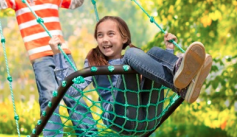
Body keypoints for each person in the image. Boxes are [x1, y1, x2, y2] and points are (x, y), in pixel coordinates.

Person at [0, 0, 96, 136]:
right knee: (49, 96)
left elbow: (76, 1)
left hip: (62, 53)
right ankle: (53, 135)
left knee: (74, 93)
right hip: (40, 57)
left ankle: (88, 133)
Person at [49, 16, 212, 135]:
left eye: (110, 34)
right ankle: (181, 84)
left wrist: (169, 49)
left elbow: (153, 82)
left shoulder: (136, 60)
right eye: (100, 35)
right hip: (120, 117)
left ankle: (182, 79)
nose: (105, 39)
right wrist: (57, 55)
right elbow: (71, 91)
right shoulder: (94, 61)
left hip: (148, 117)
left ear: (124, 37)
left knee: (154, 52)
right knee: (133, 55)